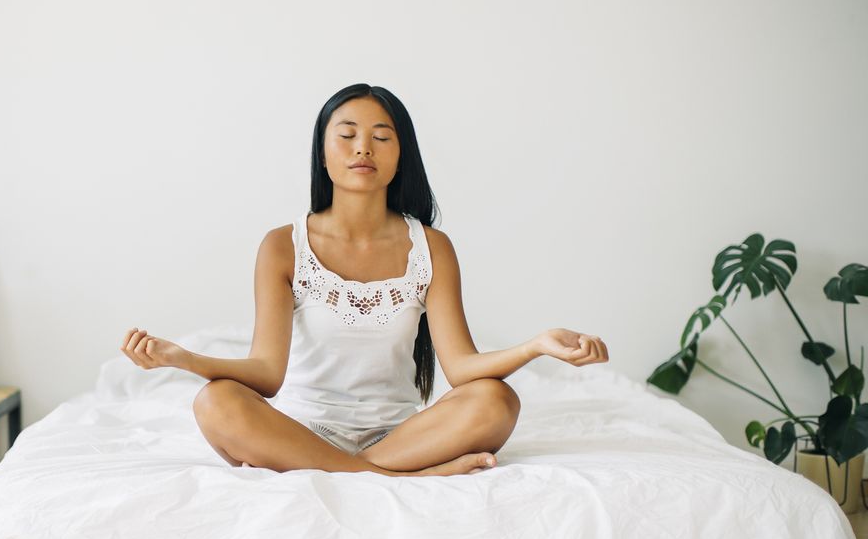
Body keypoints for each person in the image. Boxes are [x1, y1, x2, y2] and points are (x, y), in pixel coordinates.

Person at [119, 83, 608, 477]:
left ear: (400, 156)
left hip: (401, 439)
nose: (363, 148)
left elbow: (462, 369)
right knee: (217, 402)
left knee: (496, 400)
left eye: (382, 136)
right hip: (299, 432)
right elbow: (267, 374)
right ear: (324, 154)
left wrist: (538, 345)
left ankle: (358, 469)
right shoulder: (281, 246)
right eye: (347, 134)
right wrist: (182, 359)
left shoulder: (431, 247)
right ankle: (395, 478)